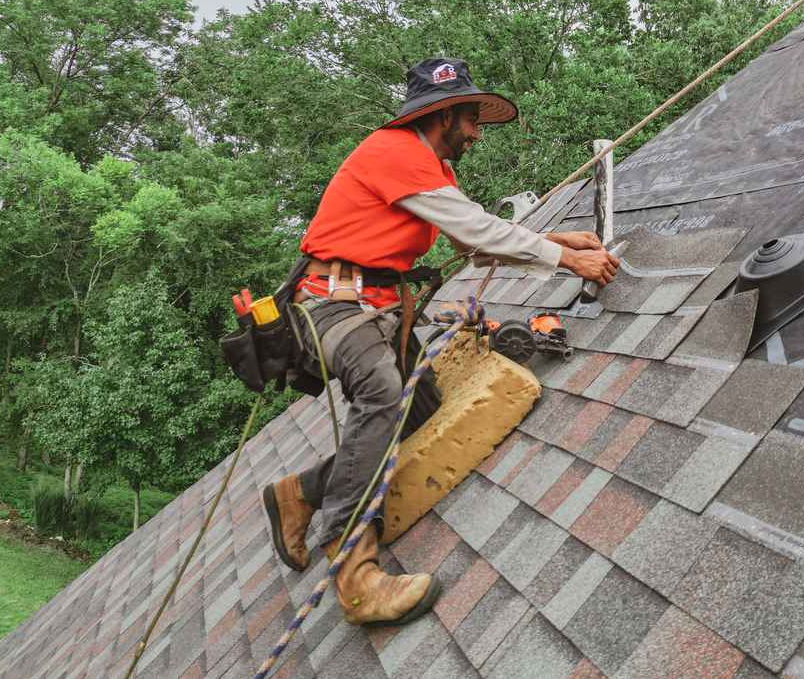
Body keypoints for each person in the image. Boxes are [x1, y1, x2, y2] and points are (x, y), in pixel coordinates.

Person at [260, 57, 619, 628]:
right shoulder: (393, 152)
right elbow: (478, 232)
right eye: (472, 119)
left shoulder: (430, 172)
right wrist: (567, 257)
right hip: (334, 304)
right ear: (444, 114)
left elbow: (470, 239)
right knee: (380, 394)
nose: (477, 133)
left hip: (378, 308)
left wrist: (549, 237)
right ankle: (353, 571)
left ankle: (300, 493)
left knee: (418, 405)